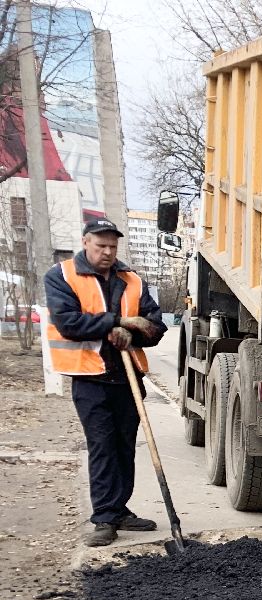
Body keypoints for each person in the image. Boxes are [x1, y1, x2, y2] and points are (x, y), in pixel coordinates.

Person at [45, 219, 167, 547]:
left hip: (127, 379)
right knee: (102, 446)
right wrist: (115, 322)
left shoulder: (132, 280)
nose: (108, 252)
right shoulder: (62, 275)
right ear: (86, 242)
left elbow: (156, 327)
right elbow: (68, 322)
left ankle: (119, 508)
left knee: (124, 447)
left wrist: (135, 331)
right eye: (101, 246)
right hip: (90, 378)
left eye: (113, 246)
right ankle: (103, 517)